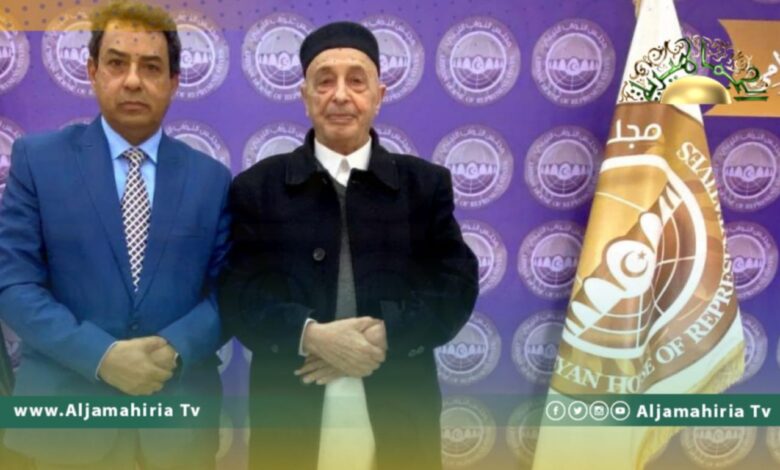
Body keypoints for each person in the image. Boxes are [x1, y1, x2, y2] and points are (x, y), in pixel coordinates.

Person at [219, 21, 479, 470]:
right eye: (325, 81)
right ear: (305, 96)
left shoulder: (424, 185)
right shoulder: (257, 187)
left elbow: (455, 285)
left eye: (356, 81)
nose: (340, 95)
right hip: (291, 402)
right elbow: (239, 293)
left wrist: (386, 333)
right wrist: (312, 336)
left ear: (379, 95)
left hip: (400, 402)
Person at [0, 1, 231, 469]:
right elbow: (13, 283)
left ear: (174, 81)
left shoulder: (211, 178)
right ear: (92, 71)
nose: (132, 81)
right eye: (117, 63)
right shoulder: (37, 161)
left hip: (178, 423)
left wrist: (173, 348)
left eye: (151, 67)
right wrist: (101, 356)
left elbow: (230, 289)